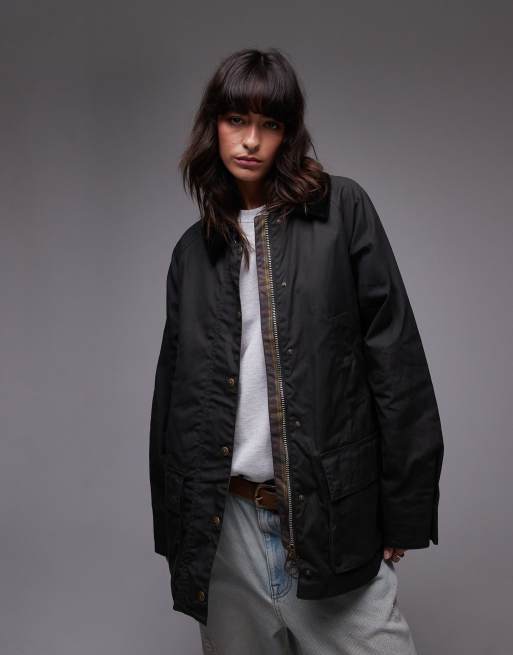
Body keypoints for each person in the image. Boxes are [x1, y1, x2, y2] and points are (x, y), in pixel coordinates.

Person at [149, 47, 444, 655]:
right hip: (224, 529)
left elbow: (397, 362)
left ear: (289, 134)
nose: (251, 140)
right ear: (213, 126)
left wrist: (404, 512)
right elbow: (170, 400)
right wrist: (176, 527)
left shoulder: (342, 211)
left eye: (270, 124)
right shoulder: (191, 253)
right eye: (236, 120)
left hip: (328, 517)